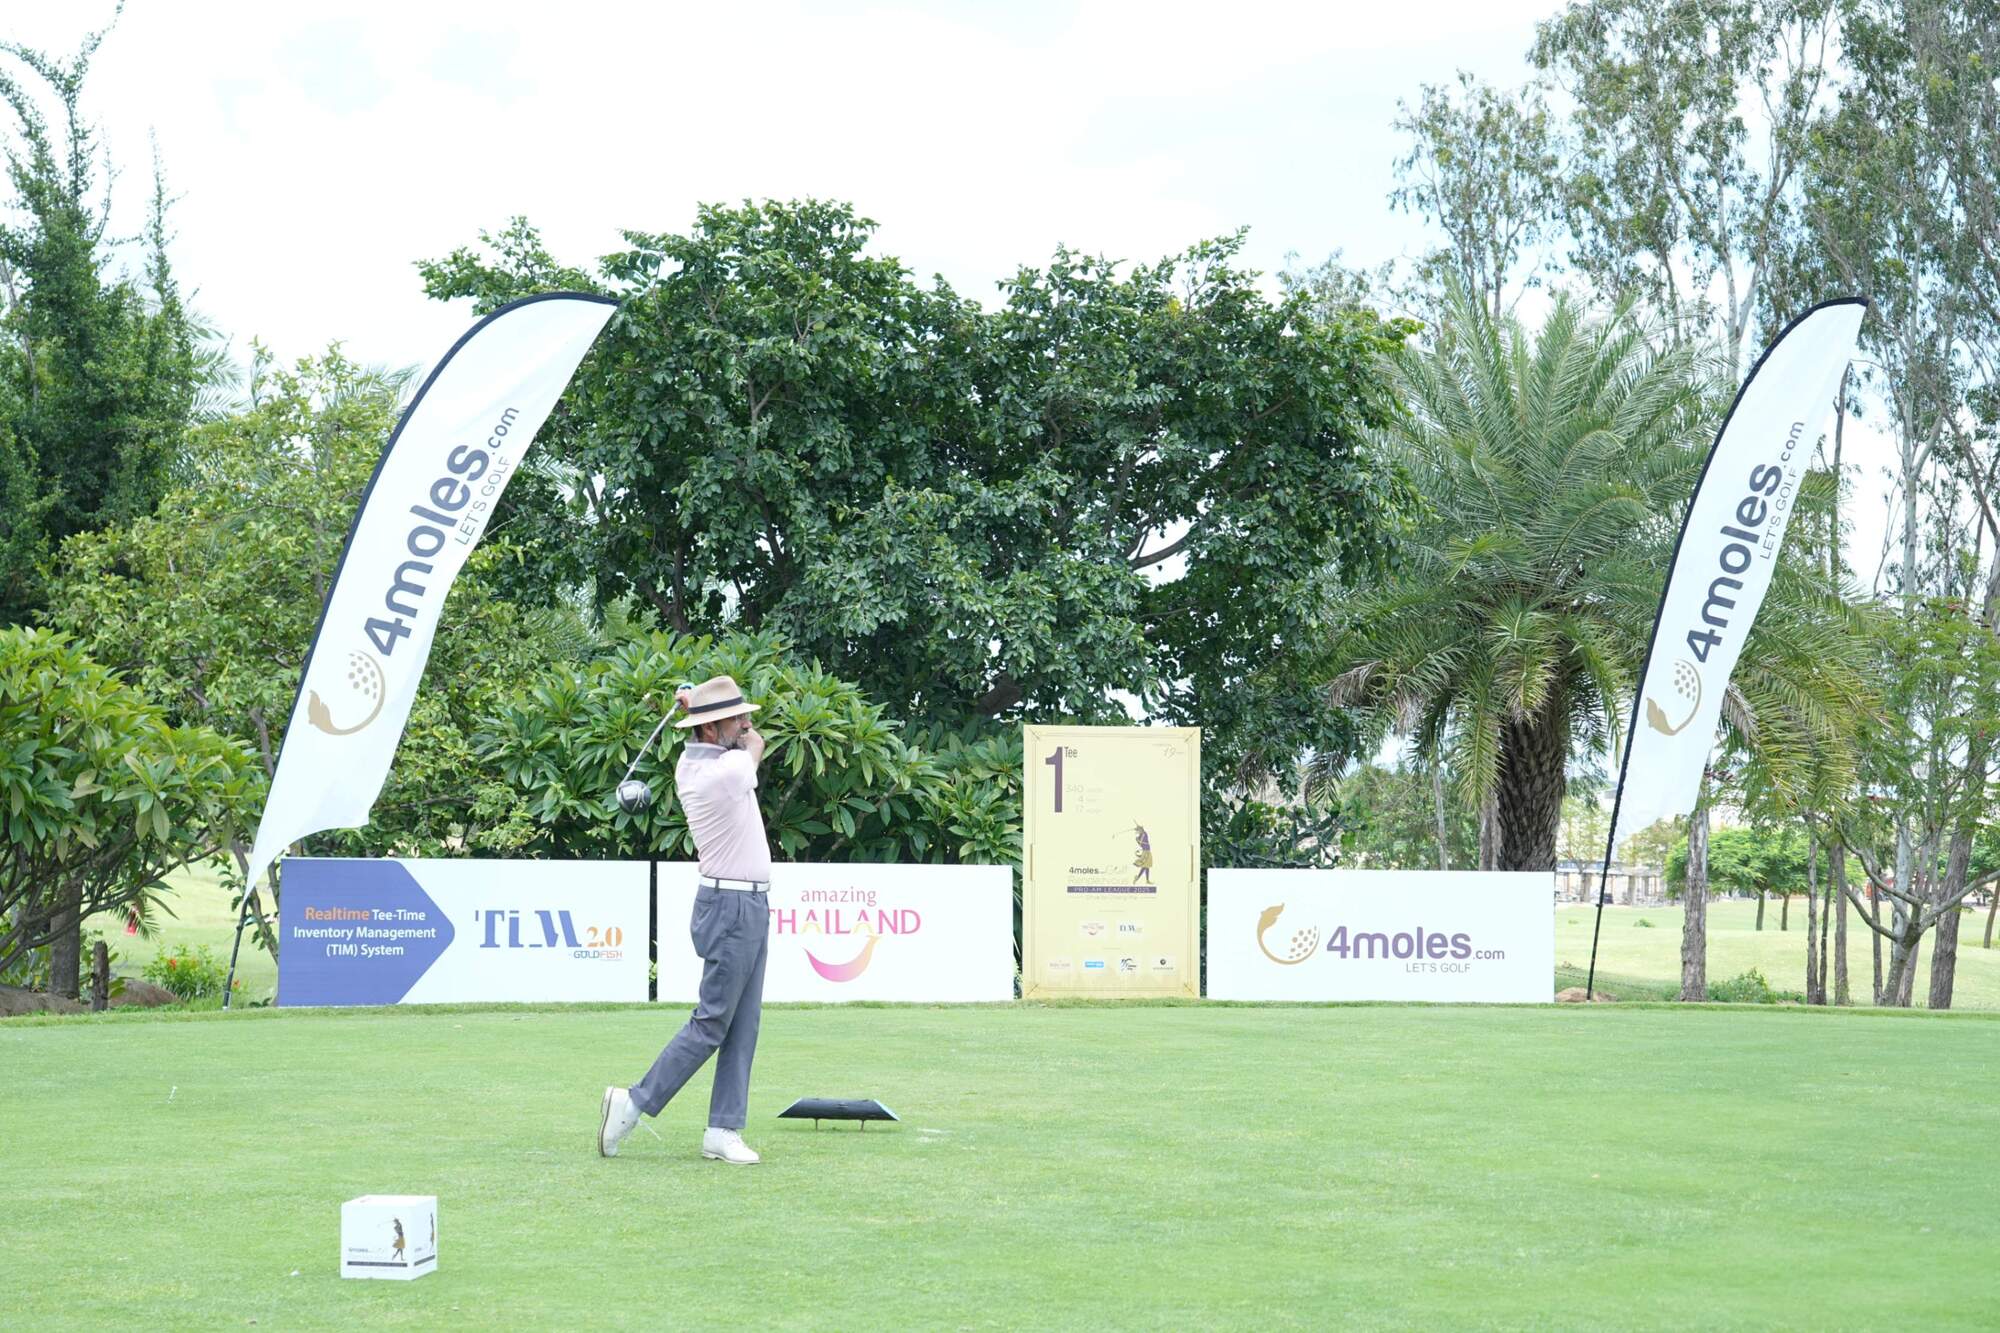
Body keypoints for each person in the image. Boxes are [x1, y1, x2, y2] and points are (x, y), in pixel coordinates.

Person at [599, 675, 771, 1165]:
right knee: (713, 1021)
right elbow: (755, 741)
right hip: (732, 907)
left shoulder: (695, 760)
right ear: (714, 729)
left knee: (743, 1023)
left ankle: (723, 1130)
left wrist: (698, 707)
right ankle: (632, 1103)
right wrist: (703, 709)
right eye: (737, 717)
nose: (745, 722)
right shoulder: (726, 772)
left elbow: (733, 735)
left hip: (747, 904)